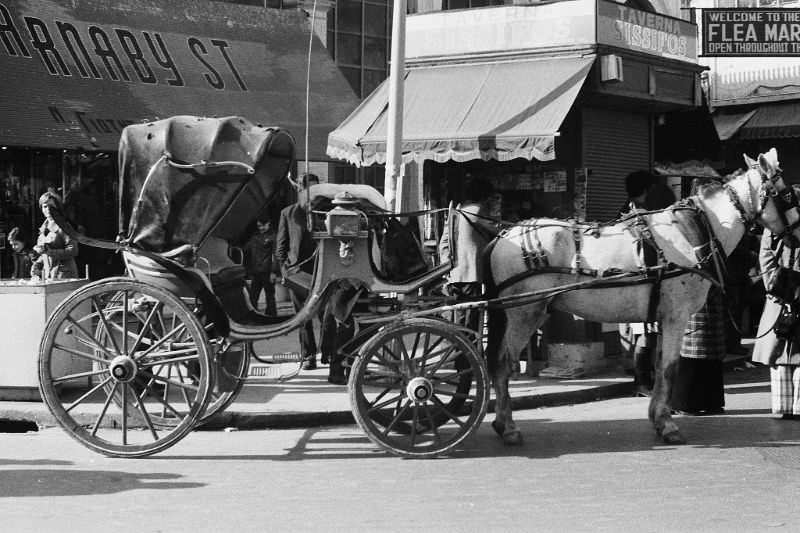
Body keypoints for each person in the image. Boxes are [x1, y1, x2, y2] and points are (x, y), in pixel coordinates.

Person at [670, 178, 727, 416]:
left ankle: (711, 401)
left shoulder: (709, 220)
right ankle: (684, 402)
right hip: (693, 283)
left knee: (710, 350)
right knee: (694, 348)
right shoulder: (687, 217)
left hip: (712, 286)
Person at [438, 176, 498, 333]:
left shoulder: (458, 210)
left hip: (456, 272)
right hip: (471, 272)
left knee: (461, 315)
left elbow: (444, 241)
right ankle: (467, 353)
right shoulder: (477, 209)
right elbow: (497, 231)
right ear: (484, 195)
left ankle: (461, 351)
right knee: (471, 317)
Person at [752, 222, 800, 419]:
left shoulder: (773, 227)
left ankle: (784, 406)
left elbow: (766, 260)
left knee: (780, 352)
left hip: (778, 297)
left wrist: (776, 290)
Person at [276, 173, 320, 370]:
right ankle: (308, 355)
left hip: (323, 270)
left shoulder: (324, 212)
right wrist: (285, 272)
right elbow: (281, 247)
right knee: (304, 316)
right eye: (309, 189)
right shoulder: (289, 213)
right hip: (297, 273)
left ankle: (329, 354)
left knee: (327, 315)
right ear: (300, 189)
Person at [30, 190, 79, 280]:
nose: (48, 209)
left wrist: (50, 252)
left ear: (57, 208)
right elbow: (44, 255)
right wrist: (37, 265)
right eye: (45, 206)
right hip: (49, 276)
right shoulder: (42, 229)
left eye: (51, 206)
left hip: (65, 276)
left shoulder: (64, 226)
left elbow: (73, 250)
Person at [243, 216, 278, 315]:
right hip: (256, 271)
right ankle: (253, 315)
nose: (261, 228)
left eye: (263, 225)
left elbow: (277, 255)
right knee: (253, 296)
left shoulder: (273, 236)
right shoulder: (255, 236)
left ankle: (272, 316)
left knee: (270, 296)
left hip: (267, 271)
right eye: (259, 225)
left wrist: (274, 272)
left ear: (269, 223)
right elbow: (246, 249)